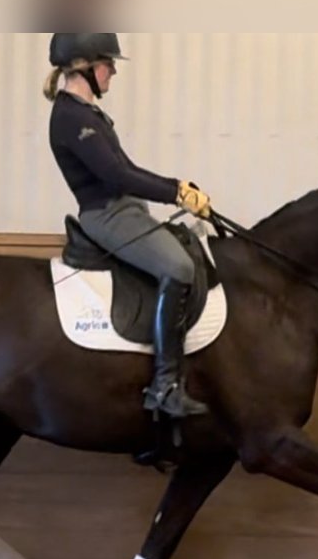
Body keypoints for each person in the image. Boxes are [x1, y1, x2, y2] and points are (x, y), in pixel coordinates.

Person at [44, 32, 212, 419]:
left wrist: (180, 187)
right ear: (85, 68)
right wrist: (175, 193)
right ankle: (165, 386)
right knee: (179, 267)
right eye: (108, 63)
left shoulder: (88, 114)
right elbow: (116, 174)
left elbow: (129, 170)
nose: (114, 71)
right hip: (106, 214)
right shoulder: (71, 118)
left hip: (126, 207)